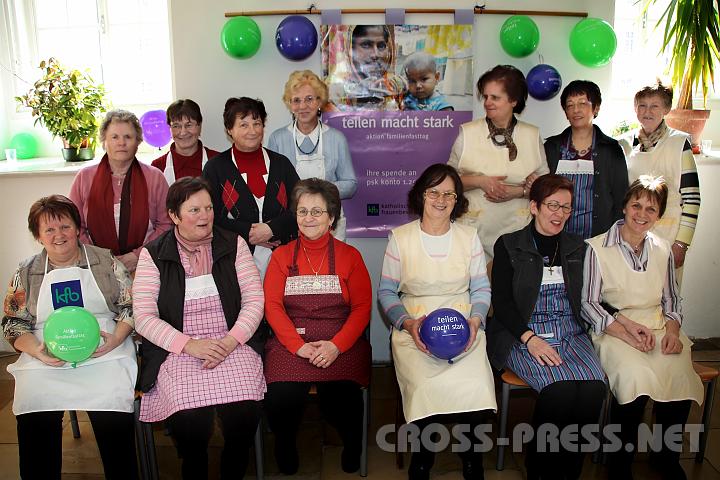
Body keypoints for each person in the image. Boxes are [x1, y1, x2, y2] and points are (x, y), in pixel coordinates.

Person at [133, 177, 265, 479]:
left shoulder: (234, 245)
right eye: (194, 210)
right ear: (174, 216)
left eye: (208, 208)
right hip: (178, 351)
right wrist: (189, 345)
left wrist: (230, 342)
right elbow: (143, 316)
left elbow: (254, 301)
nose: (204, 216)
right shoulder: (153, 255)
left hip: (233, 344)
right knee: (190, 418)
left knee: (243, 410)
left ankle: (233, 468)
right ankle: (194, 467)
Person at [3, 195, 138, 480]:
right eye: (49, 229)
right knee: (35, 411)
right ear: (38, 236)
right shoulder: (26, 271)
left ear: (77, 228)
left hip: (105, 351)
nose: (58, 235)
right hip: (46, 354)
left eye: (64, 226)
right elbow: (13, 323)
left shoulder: (105, 261)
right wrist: (38, 352)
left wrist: (116, 338)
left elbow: (132, 306)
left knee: (111, 414)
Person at [581, 175, 703, 479]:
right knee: (634, 380)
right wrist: (626, 333)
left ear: (659, 216)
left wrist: (673, 333)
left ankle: (665, 457)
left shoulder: (663, 250)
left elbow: (672, 299)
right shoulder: (596, 248)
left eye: (651, 209)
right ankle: (619, 463)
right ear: (625, 207)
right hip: (613, 331)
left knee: (677, 374)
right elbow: (589, 304)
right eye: (637, 205)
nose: (642, 214)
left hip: (658, 327)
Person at [378, 164, 494, 480]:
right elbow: (387, 292)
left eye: (448, 194)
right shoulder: (400, 238)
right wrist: (408, 324)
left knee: (477, 386)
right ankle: (423, 458)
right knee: (424, 388)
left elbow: (481, 287)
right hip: (415, 324)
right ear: (421, 195)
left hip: (465, 322)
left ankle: (472, 457)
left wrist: (475, 320)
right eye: (434, 192)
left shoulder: (469, 237)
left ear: (457, 200)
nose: (440, 200)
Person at [486, 174, 606, 479]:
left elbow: (592, 297)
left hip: (570, 331)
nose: (559, 214)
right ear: (534, 207)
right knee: (560, 392)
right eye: (552, 205)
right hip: (522, 333)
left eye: (566, 208)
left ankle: (569, 471)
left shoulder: (578, 247)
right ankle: (539, 470)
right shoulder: (508, 245)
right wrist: (530, 339)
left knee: (593, 390)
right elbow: (502, 303)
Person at [263, 178, 371, 475]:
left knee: (342, 397)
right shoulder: (281, 257)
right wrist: (298, 347)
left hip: (340, 340)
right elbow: (272, 307)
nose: (308, 218)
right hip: (292, 341)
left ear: (332, 217)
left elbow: (362, 308)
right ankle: (284, 442)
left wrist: (336, 346)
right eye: (302, 212)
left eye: (317, 212)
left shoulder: (351, 257)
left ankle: (352, 443)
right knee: (281, 397)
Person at [448, 64, 549, 261]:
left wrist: (520, 191)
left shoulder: (532, 134)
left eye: (495, 97)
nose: (487, 102)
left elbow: (546, 186)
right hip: (474, 231)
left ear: (513, 100)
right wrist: (481, 182)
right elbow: (447, 181)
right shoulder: (467, 132)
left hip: (518, 232)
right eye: (485, 97)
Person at [202, 97, 300, 279]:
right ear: (229, 129)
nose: (252, 131)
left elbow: (300, 208)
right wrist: (250, 233)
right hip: (234, 260)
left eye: (257, 123)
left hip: (284, 259)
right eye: (243, 125)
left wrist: (272, 229)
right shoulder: (215, 168)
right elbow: (210, 216)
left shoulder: (281, 164)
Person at [69, 109, 173, 273]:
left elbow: (167, 224)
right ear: (104, 141)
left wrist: (138, 255)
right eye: (114, 137)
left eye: (128, 137)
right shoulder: (84, 177)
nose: (121, 143)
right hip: (94, 267)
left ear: (138, 141)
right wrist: (99, 258)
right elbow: (74, 226)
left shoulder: (155, 178)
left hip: (146, 264)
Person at [619, 81, 701, 271]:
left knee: (665, 295)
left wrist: (681, 244)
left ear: (666, 109)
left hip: (668, 236)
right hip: (631, 235)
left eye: (654, 105)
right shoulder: (623, 145)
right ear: (635, 108)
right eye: (642, 105)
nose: (648, 111)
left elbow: (692, 198)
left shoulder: (679, 143)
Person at [267, 70, 357, 240]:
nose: (303, 106)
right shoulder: (277, 139)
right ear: (289, 104)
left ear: (319, 101)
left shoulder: (336, 138)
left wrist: (319, 191)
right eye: (296, 100)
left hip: (330, 222)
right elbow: (273, 189)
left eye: (309, 99)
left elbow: (351, 185)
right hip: (293, 222)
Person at [544, 80, 628, 239]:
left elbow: (621, 198)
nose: (576, 110)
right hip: (557, 235)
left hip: (599, 237)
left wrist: (617, 237)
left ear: (595, 108)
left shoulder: (611, 149)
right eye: (570, 105)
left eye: (582, 103)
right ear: (565, 112)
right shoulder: (552, 147)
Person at [327, 25, 407, 111]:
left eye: (381, 46)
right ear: (350, 48)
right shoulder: (335, 91)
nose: (375, 54)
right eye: (366, 45)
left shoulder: (399, 86)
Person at [152, 99, 220, 184]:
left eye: (189, 125)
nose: (183, 132)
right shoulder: (158, 167)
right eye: (176, 126)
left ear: (199, 126)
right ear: (170, 128)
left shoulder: (218, 161)